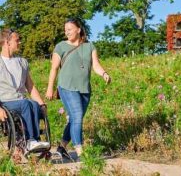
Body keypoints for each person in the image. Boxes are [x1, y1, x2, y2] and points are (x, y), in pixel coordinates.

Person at [46, 18, 111, 158]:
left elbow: (96, 65)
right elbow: (54, 68)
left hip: (84, 89)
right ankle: (80, 150)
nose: (66, 32)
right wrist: (50, 88)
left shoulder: (90, 47)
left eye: (69, 29)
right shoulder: (61, 46)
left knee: (76, 118)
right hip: (67, 86)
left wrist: (104, 73)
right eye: (65, 30)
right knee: (77, 116)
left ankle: (62, 147)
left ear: (79, 29)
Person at [0, 29, 50, 152]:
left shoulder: (22, 62)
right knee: (27, 104)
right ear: (7, 42)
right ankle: (30, 141)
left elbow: (30, 86)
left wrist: (42, 103)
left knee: (34, 104)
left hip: (20, 101)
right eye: (17, 40)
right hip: (5, 102)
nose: (20, 42)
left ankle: (34, 142)